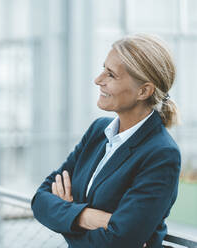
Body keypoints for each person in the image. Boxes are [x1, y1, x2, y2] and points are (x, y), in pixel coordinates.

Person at [31, 34, 181, 248]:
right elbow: (40, 200)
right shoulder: (98, 130)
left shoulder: (161, 153)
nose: (98, 79)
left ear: (144, 91)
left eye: (110, 75)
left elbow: (118, 242)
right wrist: (86, 217)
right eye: (104, 69)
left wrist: (66, 217)